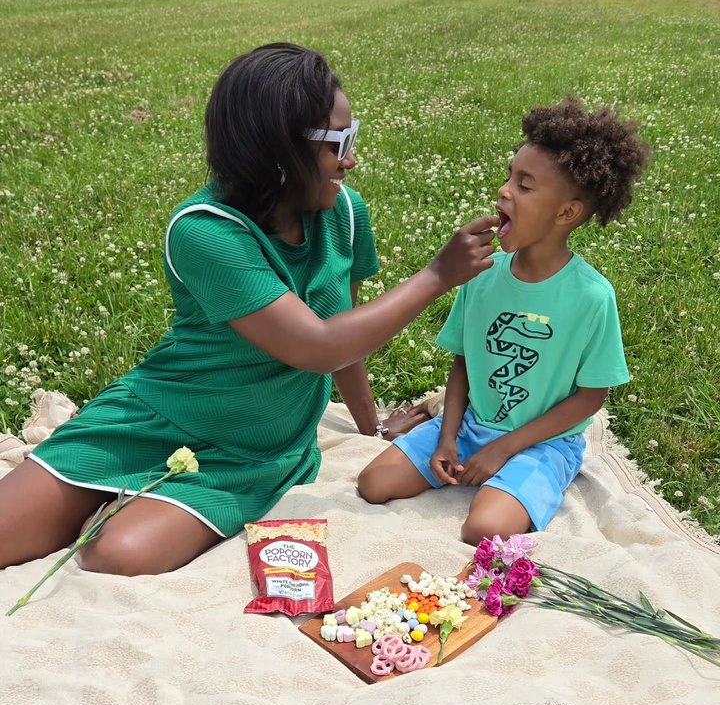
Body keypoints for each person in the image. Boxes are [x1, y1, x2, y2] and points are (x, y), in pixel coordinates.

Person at [0, 43, 498, 576]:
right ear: (278, 150)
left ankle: (120, 510)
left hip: (254, 456)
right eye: (339, 143)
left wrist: (369, 429)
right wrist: (436, 276)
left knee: (112, 553)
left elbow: (346, 343)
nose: (351, 159)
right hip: (157, 417)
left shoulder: (345, 214)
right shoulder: (205, 231)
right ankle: (106, 494)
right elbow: (317, 346)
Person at [358, 97, 650, 545]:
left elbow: (591, 397)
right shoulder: (482, 273)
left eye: (525, 185)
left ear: (567, 213)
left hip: (543, 443)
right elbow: (463, 363)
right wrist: (448, 439)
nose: (504, 191)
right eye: (509, 175)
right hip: (472, 425)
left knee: (484, 529)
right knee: (373, 484)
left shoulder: (591, 297)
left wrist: (504, 449)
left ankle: (538, 478)